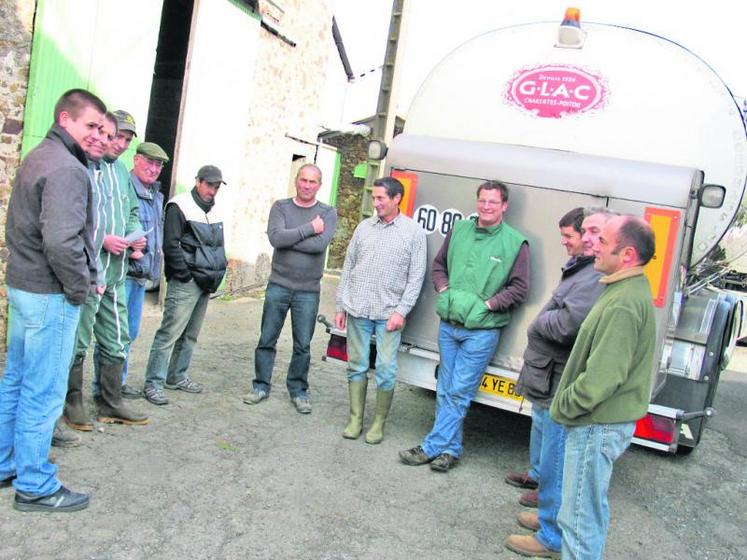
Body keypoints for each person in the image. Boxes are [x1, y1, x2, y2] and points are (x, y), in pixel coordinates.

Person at [0, 88, 105, 512]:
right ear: (66, 120)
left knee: (17, 380)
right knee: (43, 391)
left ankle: (7, 464)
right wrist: (78, 288)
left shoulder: (39, 156)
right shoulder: (66, 168)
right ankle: (36, 484)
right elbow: (61, 241)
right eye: (91, 126)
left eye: (102, 127)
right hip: (48, 293)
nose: (98, 134)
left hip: (25, 287)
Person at [399, 180, 529, 471]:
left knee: (459, 391)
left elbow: (520, 289)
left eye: (493, 202)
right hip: (449, 325)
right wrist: (444, 290)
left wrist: (488, 305)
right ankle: (451, 450)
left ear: (504, 206)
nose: (486, 206)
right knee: (446, 389)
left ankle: (431, 447)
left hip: (482, 331)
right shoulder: (459, 230)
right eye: (482, 200)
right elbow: (439, 265)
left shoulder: (514, 243)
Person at [550, 215, 656, 560]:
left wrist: (564, 405)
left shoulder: (623, 302)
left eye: (603, 242)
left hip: (596, 424)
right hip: (599, 422)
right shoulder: (622, 289)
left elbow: (602, 378)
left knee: (579, 521)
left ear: (626, 254)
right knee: (586, 514)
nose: (592, 245)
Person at [504, 207, 606, 558]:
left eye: (571, 236)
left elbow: (569, 323)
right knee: (550, 456)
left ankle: (551, 536)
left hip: (560, 377)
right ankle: (549, 518)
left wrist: (539, 322)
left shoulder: (593, 275)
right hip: (550, 375)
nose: (566, 242)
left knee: (557, 460)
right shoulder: (583, 269)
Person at [62, 110, 149, 432]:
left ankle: (109, 401)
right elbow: (70, 220)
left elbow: (131, 211)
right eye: (117, 137)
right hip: (87, 273)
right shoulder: (83, 167)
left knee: (117, 337)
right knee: (78, 341)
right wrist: (103, 240)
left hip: (115, 274)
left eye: (126, 140)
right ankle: (71, 404)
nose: (121, 144)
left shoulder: (121, 173)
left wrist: (135, 234)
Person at [335, 176, 426, 444]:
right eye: (374, 198)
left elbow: (416, 277)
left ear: (396, 198)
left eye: (380, 198)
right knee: (356, 365)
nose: (375, 203)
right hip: (358, 308)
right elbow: (348, 267)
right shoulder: (364, 228)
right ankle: (355, 419)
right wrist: (341, 304)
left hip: (389, 314)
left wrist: (402, 311)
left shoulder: (413, 233)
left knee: (386, 368)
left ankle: (378, 423)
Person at [243, 164, 337, 414]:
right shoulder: (281, 207)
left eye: (312, 182)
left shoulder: (328, 213)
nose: (307, 185)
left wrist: (291, 238)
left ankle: (298, 390)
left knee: (303, 344)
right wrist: (308, 229)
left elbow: (319, 245)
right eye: (303, 180)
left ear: (320, 185)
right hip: (279, 286)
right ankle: (260, 385)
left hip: (308, 290)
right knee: (266, 339)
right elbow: (276, 239)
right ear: (296, 181)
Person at [142, 165, 228, 405]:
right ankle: (153, 383)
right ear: (198, 181)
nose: (213, 190)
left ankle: (177, 376)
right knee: (169, 333)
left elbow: (217, 246)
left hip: (206, 281)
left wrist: (215, 274)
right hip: (186, 281)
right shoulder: (179, 205)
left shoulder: (216, 209)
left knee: (190, 334)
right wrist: (184, 276)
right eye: (210, 185)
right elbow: (170, 245)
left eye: (217, 186)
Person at [120, 141, 170, 397]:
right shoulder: (124, 188)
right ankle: (109, 388)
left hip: (141, 276)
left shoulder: (156, 195)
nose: (153, 169)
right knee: (115, 333)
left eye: (158, 165)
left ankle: (118, 382)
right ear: (136, 159)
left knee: (129, 332)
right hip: (123, 273)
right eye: (149, 162)